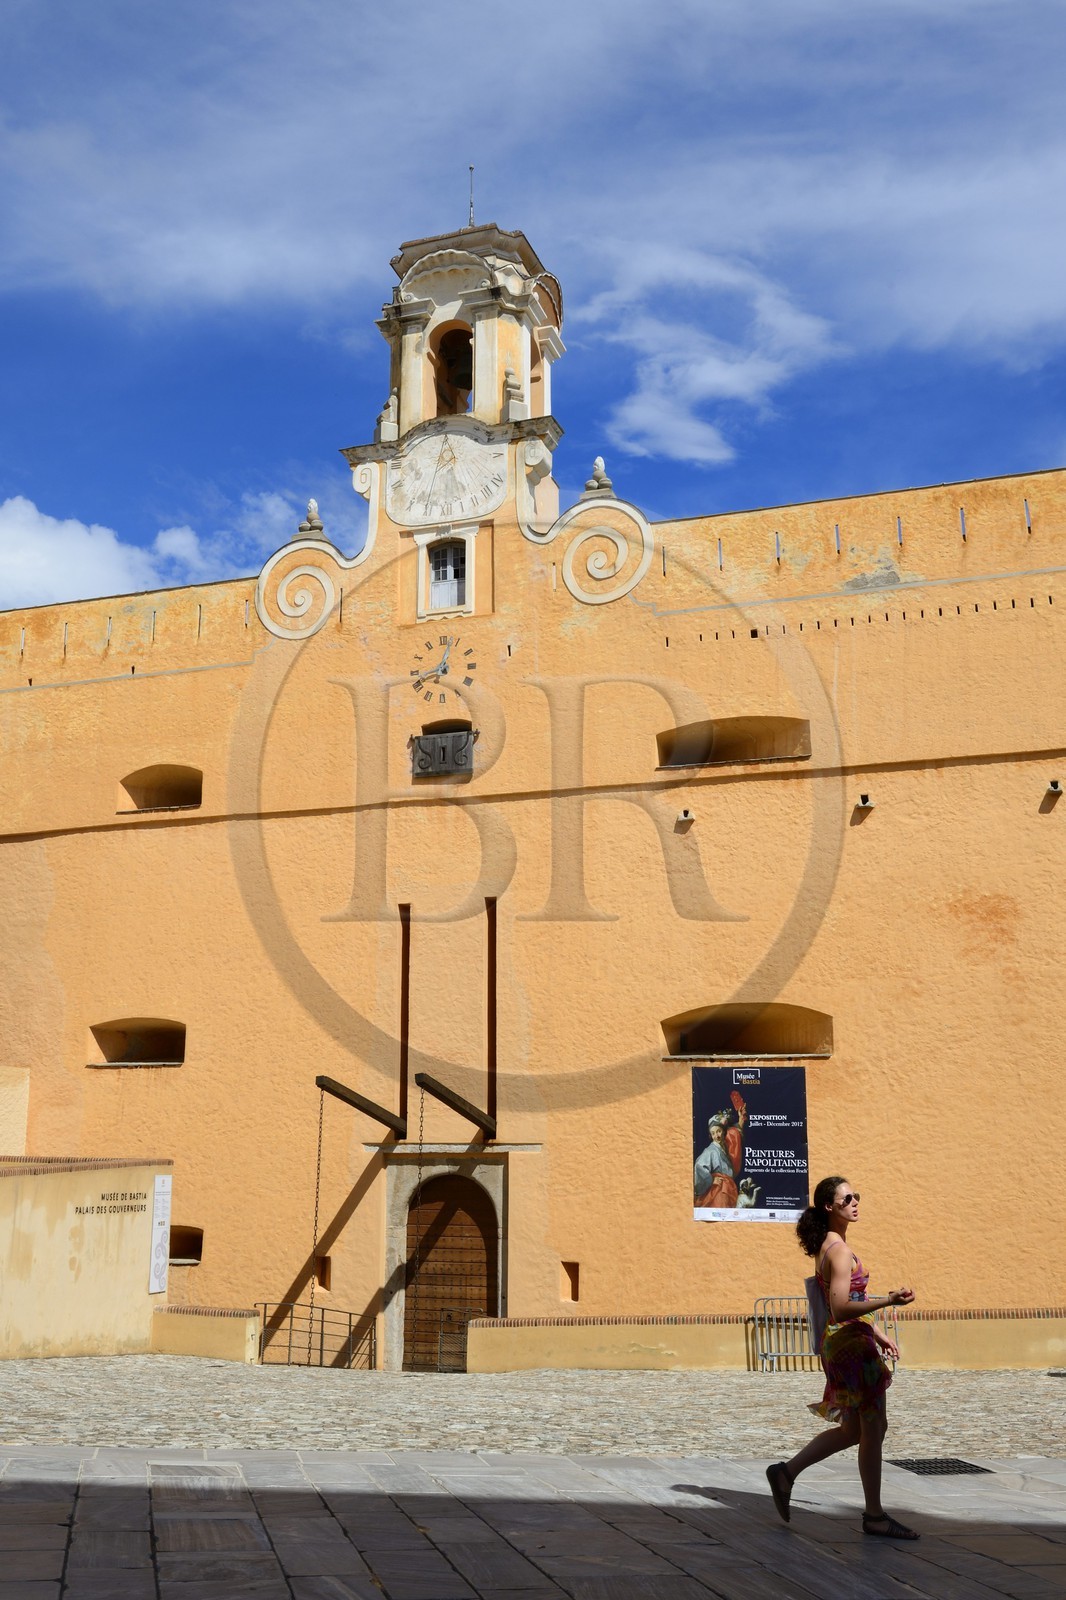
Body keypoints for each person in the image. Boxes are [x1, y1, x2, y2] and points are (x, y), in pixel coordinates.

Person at [765, 1175, 919, 1539]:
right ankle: (875, 1516)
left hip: (848, 1341)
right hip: (850, 1347)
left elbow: (844, 1305)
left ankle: (786, 1473)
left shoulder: (832, 1244)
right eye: (846, 1198)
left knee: (855, 1430)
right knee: (874, 1428)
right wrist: (889, 1300)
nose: (854, 1202)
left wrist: (877, 1331)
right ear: (828, 1207)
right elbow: (839, 1307)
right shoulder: (837, 1251)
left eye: (856, 1196)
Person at [693, 1095, 747, 1207]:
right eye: (713, 1133)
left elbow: (734, 1135)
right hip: (718, 1190)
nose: (716, 1136)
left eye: (718, 1131)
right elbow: (699, 1166)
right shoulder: (710, 1151)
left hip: (728, 1188)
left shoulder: (724, 1145)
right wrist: (710, 1180)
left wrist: (741, 1119)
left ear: (723, 1132)